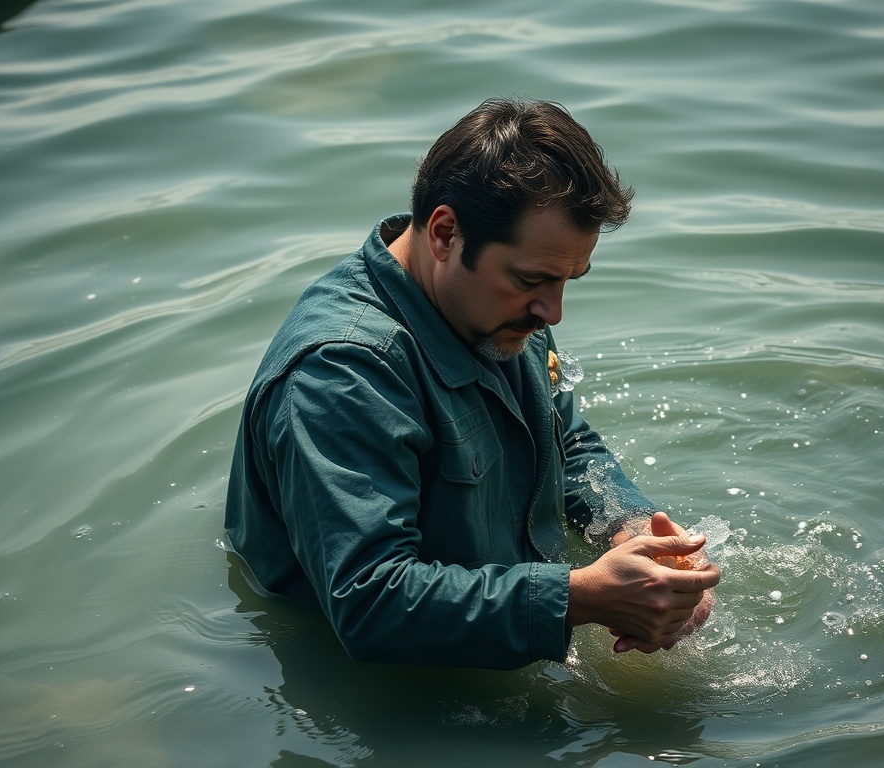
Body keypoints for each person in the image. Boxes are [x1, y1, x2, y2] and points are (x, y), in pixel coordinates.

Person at [225, 97, 720, 669]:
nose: (552, 312)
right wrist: (579, 596)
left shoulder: (497, 306)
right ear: (444, 234)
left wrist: (637, 535)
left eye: (569, 280)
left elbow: (568, 442)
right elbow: (368, 603)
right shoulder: (340, 374)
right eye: (534, 279)